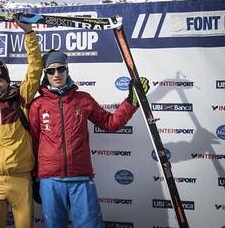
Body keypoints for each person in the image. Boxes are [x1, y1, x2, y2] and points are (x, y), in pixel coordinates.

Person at [28, 49, 150, 228]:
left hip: (80, 178)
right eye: (51, 70)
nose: (57, 74)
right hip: (50, 181)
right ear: (45, 74)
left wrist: (131, 101)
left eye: (61, 68)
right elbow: (33, 144)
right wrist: (34, 179)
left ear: (67, 70)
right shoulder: (38, 105)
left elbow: (110, 123)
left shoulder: (83, 99)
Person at [0, 17, 42, 228]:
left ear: (7, 81)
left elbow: (35, 70)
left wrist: (29, 35)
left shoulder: (21, 97)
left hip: (20, 179)